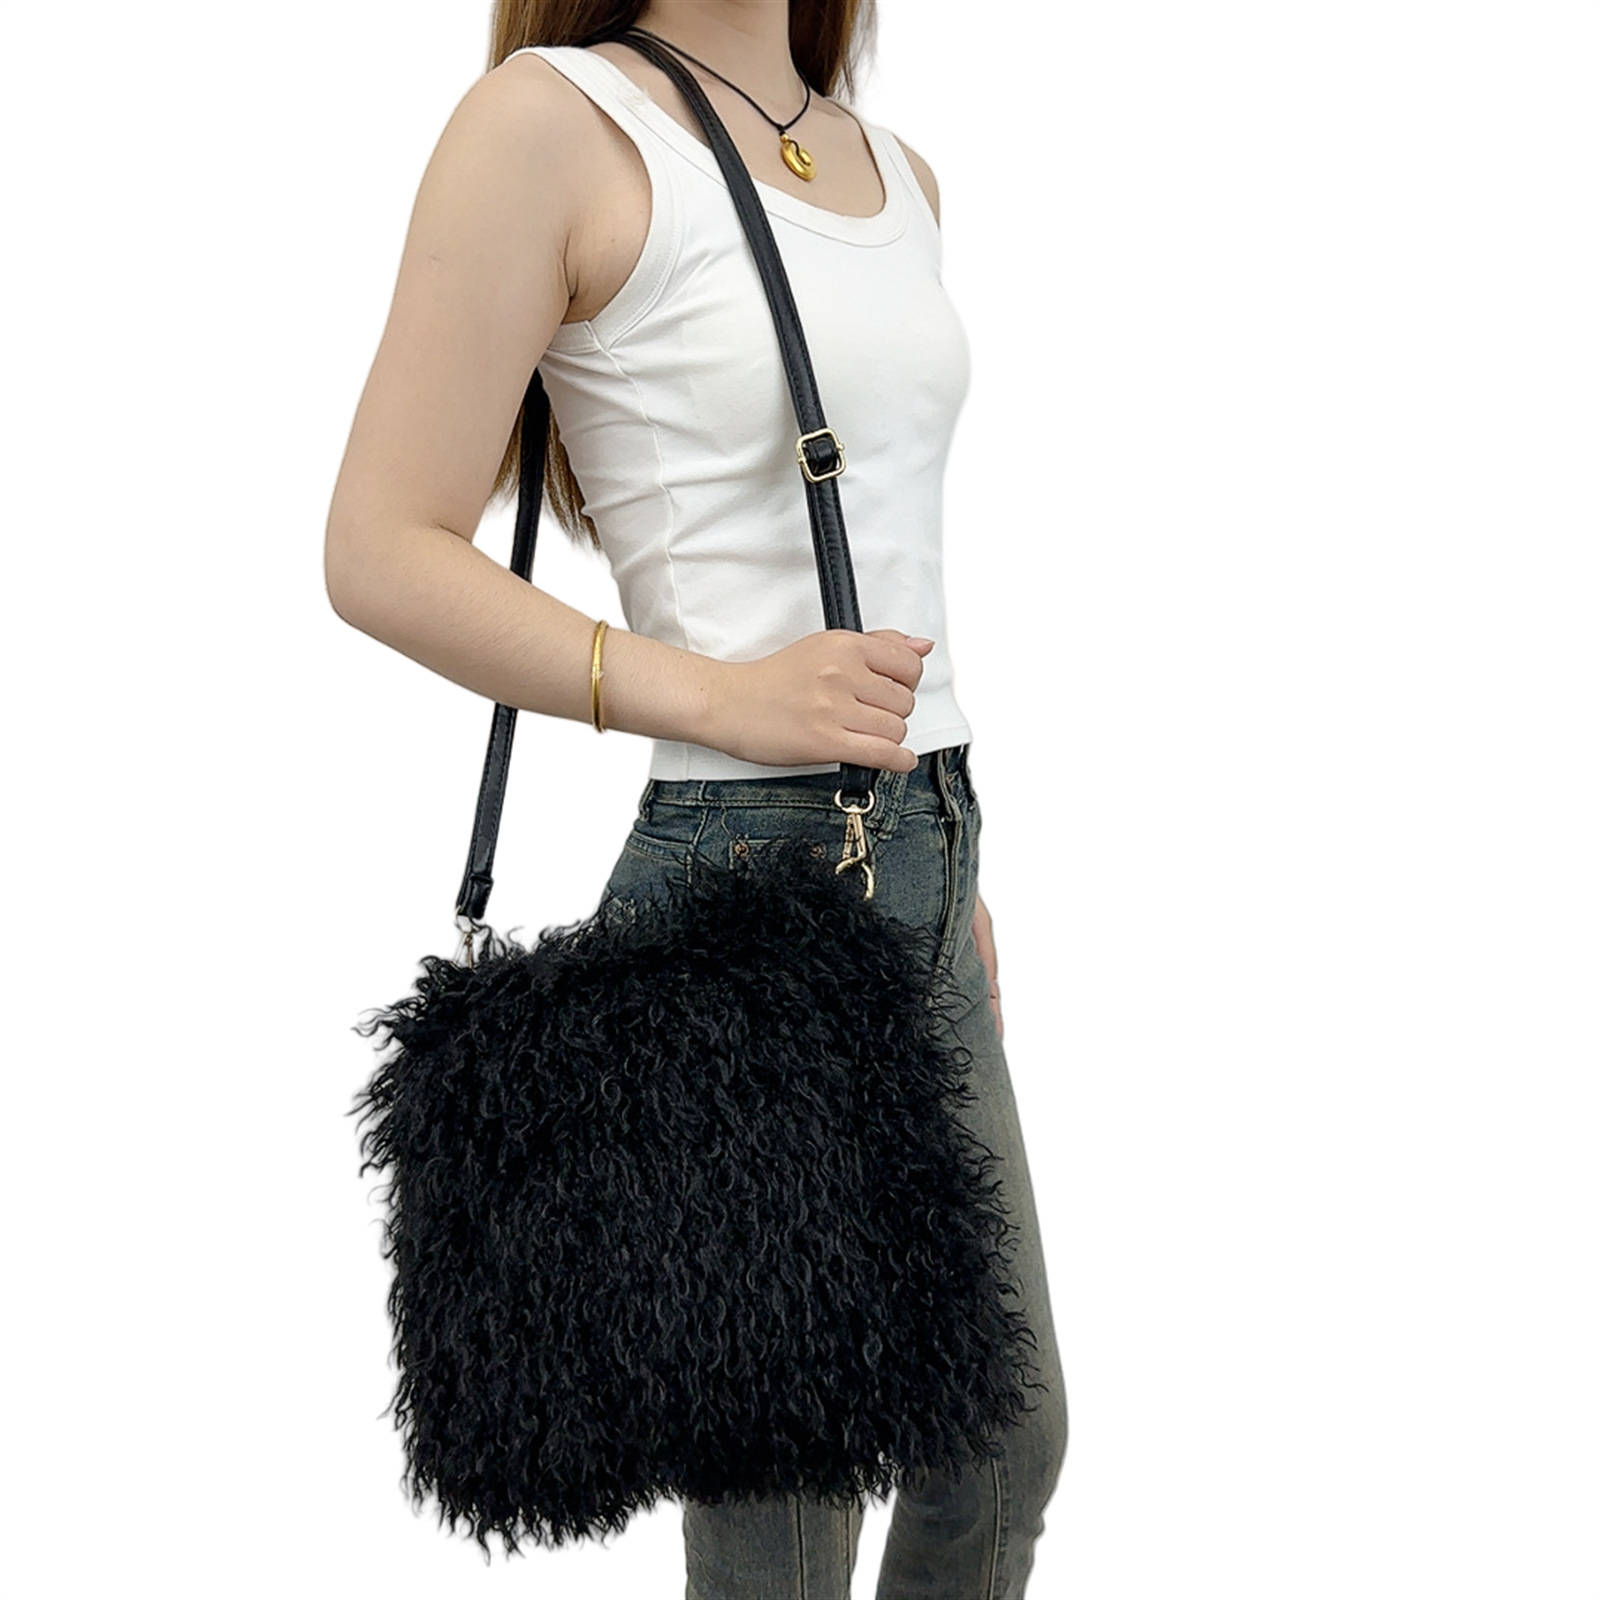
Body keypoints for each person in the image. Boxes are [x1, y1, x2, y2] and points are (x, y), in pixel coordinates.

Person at [323, 0, 1068, 1593]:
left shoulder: (898, 168)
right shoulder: (553, 124)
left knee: (1002, 1445)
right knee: (787, 1512)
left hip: (916, 841)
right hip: (744, 864)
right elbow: (377, 549)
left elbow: (882, 542)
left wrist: (948, 871)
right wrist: (724, 697)